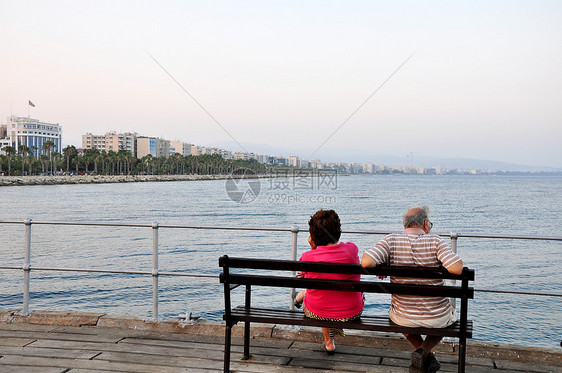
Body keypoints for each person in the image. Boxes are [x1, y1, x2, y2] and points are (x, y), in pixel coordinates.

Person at [361, 206, 463, 373]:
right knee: (450, 315)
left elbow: (366, 262)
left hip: (402, 316)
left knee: (399, 315)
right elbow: (457, 269)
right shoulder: (436, 241)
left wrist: (385, 264)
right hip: (436, 317)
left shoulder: (391, 241)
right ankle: (424, 352)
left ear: (405, 225)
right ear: (425, 224)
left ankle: (424, 354)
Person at [294, 209, 364, 355]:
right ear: (338, 231)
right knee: (340, 292)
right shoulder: (352, 249)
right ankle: (303, 294)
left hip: (316, 312)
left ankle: (328, 342)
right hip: (352, 312)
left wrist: (313, 248)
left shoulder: (307, 257)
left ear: (313, 236)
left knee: (319, 294)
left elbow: (305, 274)